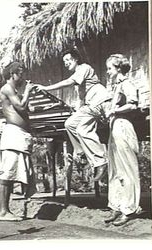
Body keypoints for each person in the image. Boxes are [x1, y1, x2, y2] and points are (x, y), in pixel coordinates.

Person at [35, 48, 111, 181]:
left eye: (68, 60)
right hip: (89, 105)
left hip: (99, 100)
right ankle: (81, 154)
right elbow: (80, 101)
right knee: (69, 124)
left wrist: (46, 88)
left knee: (83, 130)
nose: (66, 63)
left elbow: (69, 82)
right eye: (64, 61)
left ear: (76, 59)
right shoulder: (79, 79)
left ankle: (101, 161)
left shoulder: (84, 68)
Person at [104, 54, 142, 226]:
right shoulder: (115, 87)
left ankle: (129, 208)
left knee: (127, 169)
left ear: (118, 68)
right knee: (115, 169)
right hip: (114, 128)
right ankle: (116, 206)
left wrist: (115, 111)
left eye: (110, 68)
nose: (107, 71)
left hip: (123, 126)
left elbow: (133, 104)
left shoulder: (127, 84)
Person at [0, 62, 36, 221]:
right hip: (12, 135)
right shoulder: (7, 88)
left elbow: (29, 108)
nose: (22, 77)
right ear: (12, 74)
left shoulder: (15, 92)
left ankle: (6, 211)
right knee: (6, 173)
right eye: (20, 74)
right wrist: (27, 91)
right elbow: (20, 107)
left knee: (12, 173)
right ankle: (3, 212)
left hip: (20, 136)